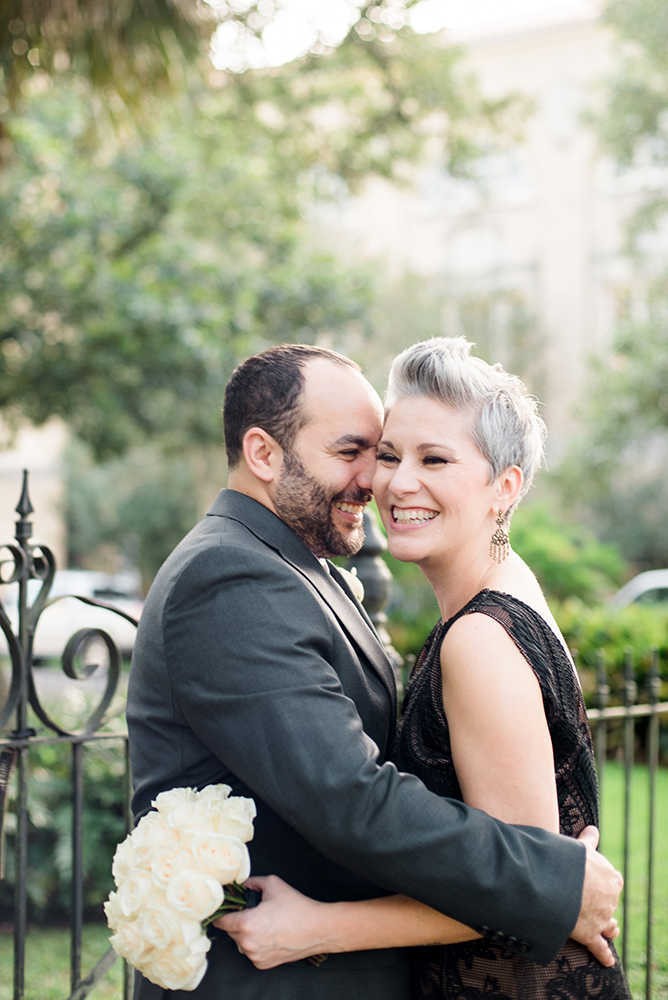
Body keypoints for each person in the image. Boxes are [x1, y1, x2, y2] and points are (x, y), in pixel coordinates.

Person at [127, 343, 622, 1000]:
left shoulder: (457, 618)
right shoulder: (232, 575)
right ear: (264, 454)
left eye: (399, 454)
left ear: (505, 487)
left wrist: (328, 928)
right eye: (357, 453)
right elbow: (349, 796)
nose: (378, 480)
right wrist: (554, 881)